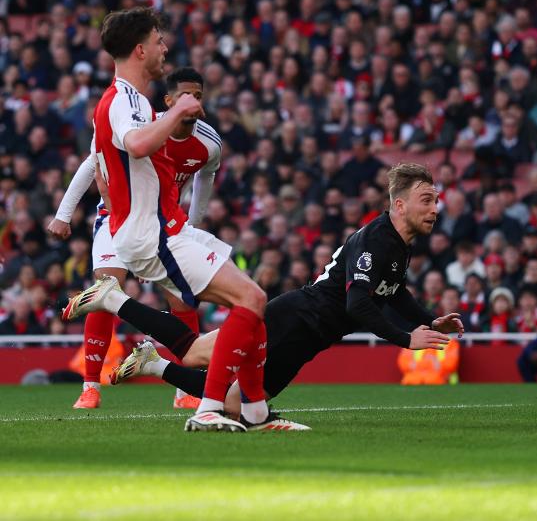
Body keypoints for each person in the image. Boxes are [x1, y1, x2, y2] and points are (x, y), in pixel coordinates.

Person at [73, 163, 465, 421]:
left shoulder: (399, 243)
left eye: (436, 200)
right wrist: (404, 338)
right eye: (426, 200)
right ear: (399, 204)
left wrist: (428, 320)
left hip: (309, 335)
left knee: (232, 401)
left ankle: (152, 363)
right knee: (201, 360)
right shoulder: (378, 239)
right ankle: (115, 298)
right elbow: (358, 303)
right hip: (295, 320)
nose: (435, 209)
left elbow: (393, 293)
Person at [62, 8, 268, 433]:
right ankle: (218, 409)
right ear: (140, 49)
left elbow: (113, 159)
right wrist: (178, 112)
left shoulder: (128, 100)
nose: (164, 48)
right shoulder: (125, 100)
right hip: (152, 234)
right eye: (158, 41)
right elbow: (136, 144)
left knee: (234, 319)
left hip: (163, 229)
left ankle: (159, 362)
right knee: (251, 300)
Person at [48, 66, 221, 410]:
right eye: (186, 95)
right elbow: (90, 163)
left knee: (183, 300)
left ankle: (184, 390)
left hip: (165, 223)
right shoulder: (145, 124)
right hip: (119, 216)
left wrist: (193, 225)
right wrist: (63, 214)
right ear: (169, 100)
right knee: (106, 289)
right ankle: (90, 386)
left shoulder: (209, 142)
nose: (193, 102)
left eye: (198, 96)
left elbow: (205, 179)